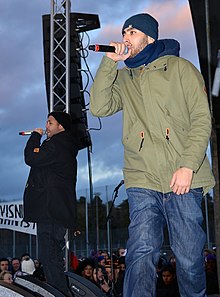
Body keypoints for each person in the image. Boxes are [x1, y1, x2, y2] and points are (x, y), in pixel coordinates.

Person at [90, 12, 215, 297]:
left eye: (132, 32)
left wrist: (187, 166)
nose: (125, 38)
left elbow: (201, 118)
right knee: (141, 249)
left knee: (188, 257)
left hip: (181, 176)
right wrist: (109, 64)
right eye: (124, 33)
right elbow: (99, 107)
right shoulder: (124, 78)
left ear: (150, 37)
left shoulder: (181, 68)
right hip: (141, 175)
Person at [23, 111, 78, 297]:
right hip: (56, 210)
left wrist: (35, 137)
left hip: (50, 211)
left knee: (49, 256)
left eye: (50, 122)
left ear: (60, 126)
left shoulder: (57, 145)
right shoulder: (64, 146)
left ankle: (60, 293)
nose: (46, 126)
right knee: (52, 256)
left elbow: (31, 157)